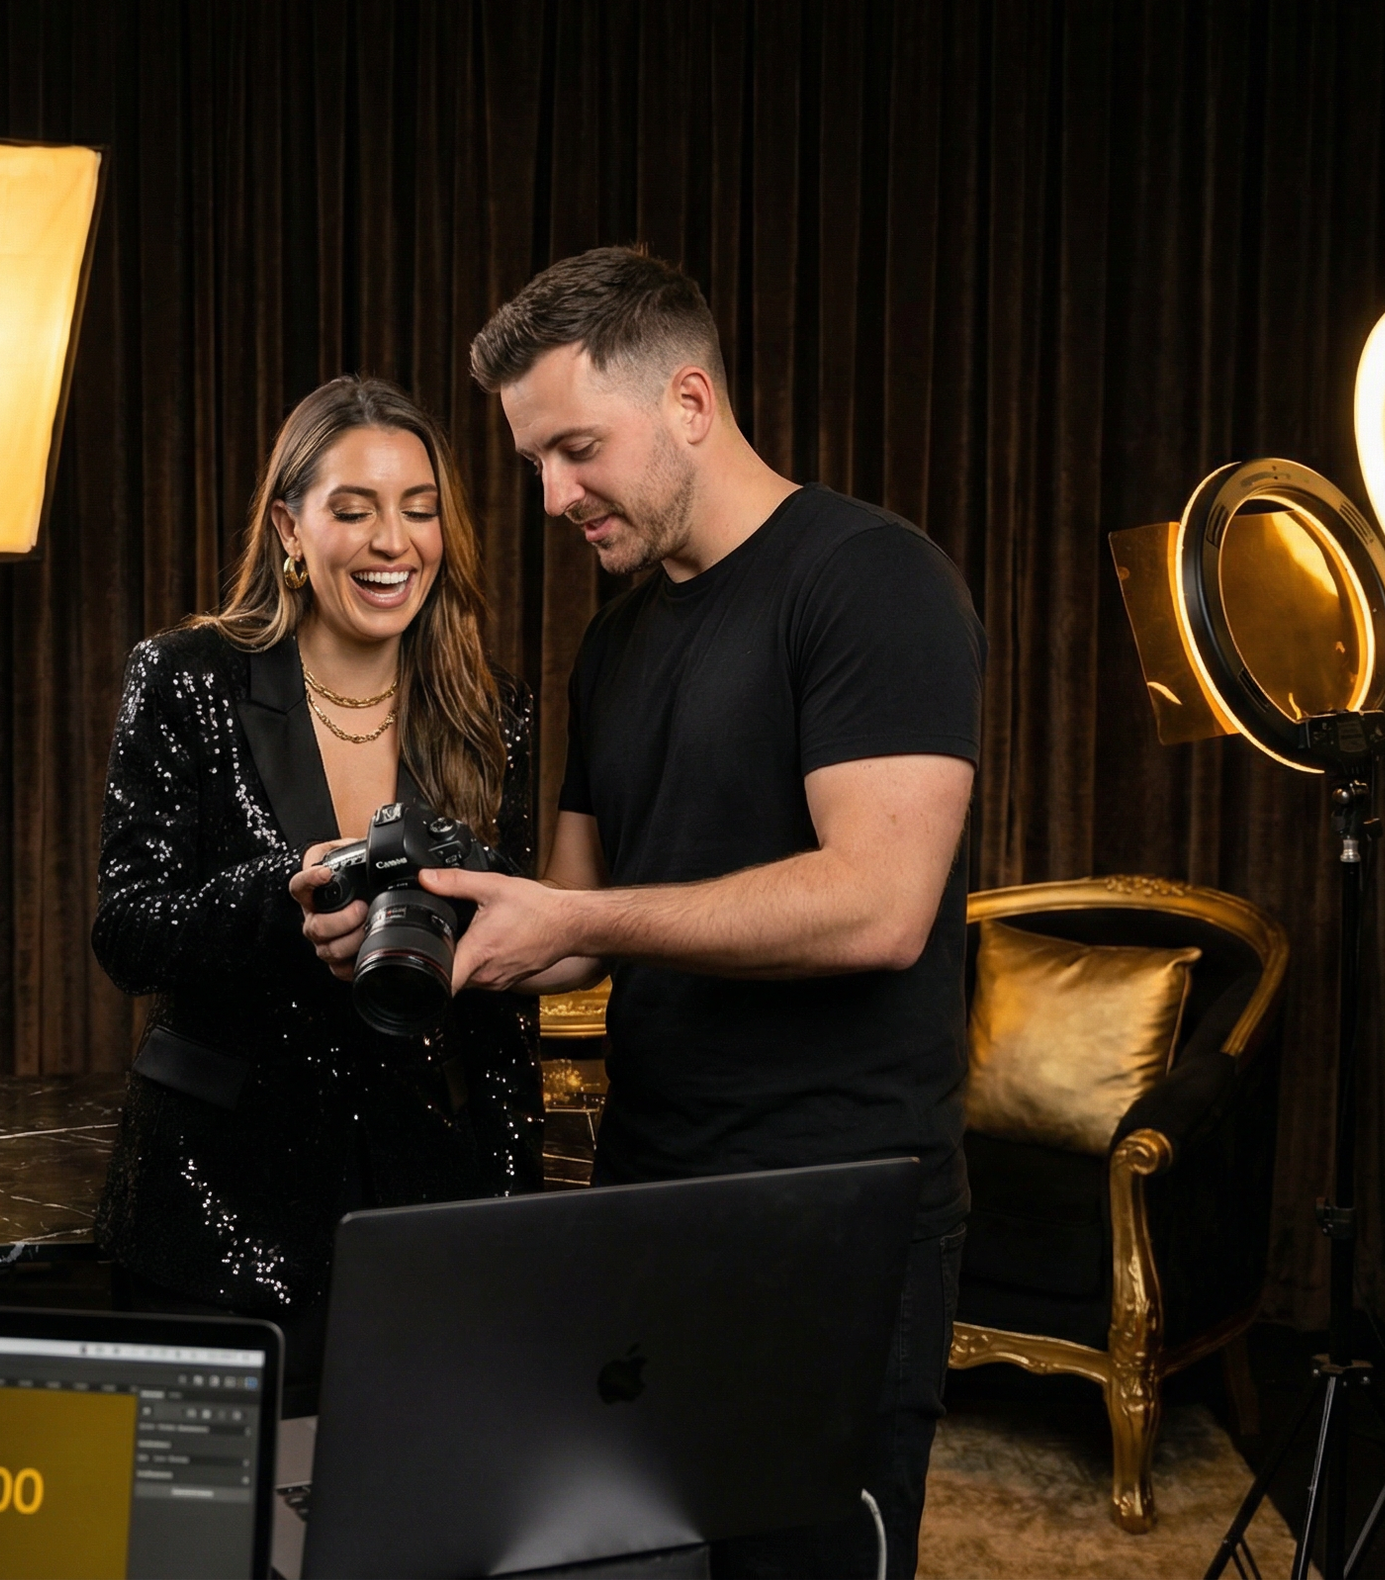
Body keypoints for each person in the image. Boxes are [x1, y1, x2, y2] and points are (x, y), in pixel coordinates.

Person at [299, 249, 983, 1579]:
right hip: (646, 1194)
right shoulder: (615, 640)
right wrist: (431, 925)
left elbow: (881, 904)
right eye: (534, 460)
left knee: (806, 1561)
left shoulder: (873, 583)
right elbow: (574, 914)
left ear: (687, 402)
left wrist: (587, 922)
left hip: (829, 1210)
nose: (552, 495)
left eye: (575, 448)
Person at [93, 374, 542, 1413]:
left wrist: (513, 1218)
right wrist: (275, 899)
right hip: (212, 1212)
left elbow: (502, 1003)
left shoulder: (490, 715)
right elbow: (126, 928)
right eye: (354, 510)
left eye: (418, 508)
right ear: (291, 527)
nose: (394, 541)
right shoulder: (186, 676)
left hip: (420, 1215)